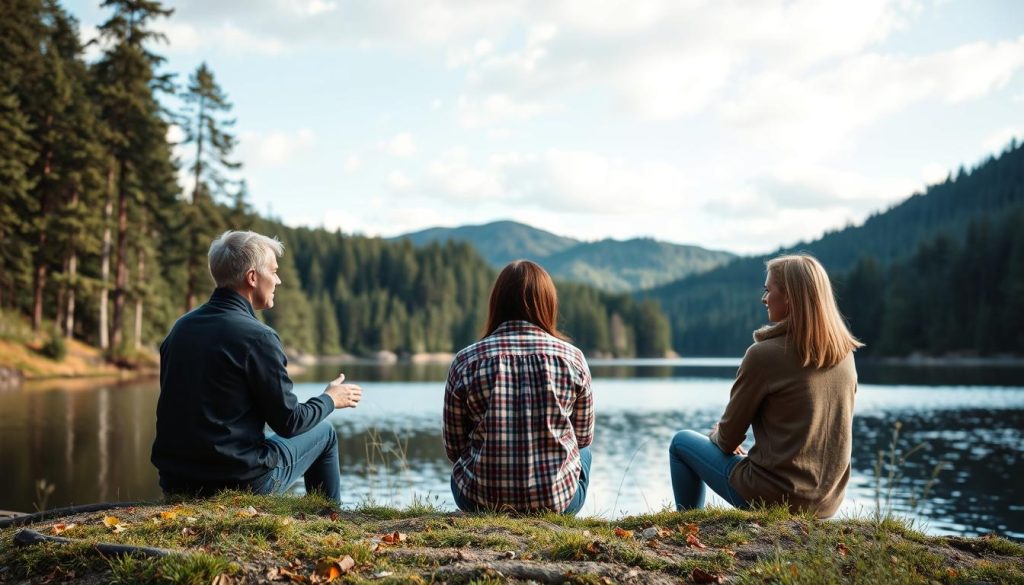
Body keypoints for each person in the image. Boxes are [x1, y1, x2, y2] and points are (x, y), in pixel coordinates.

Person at [151, 230, 363, 504]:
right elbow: (290, 423)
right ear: (252, 278)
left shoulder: (180, 328)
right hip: (240, 483)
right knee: (324, 433)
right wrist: (330, 399)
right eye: (273, 271)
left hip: (176, 483)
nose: (278, 280)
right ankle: (331, 521)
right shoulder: (258, 337)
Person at [669, 253, 862, 518]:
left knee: (681, 444)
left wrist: (717, 433)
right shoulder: (845, 355)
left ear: (790, 298)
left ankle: (688, 525)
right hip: (826, 504)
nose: (764, 298)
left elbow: (726, 441)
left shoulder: (764, 355)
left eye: (768, 290)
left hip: (774, 499)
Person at [443, 260, 594, 515]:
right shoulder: (573, 358)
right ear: (547, 304)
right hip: (555, 503)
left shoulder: (466, 360)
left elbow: (454, 447)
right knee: (585, 450)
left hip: (479, 501)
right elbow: (583, 438)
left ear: (497, 303)